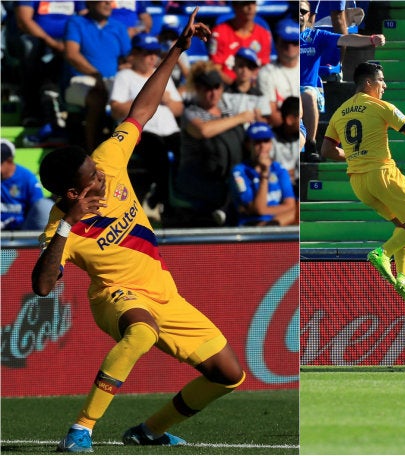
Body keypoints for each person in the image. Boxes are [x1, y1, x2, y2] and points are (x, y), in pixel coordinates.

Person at [31, 11, 245, 452]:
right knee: (142, 333)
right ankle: (81, 430)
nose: (103, 176)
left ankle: (148, 431)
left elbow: (142, 110)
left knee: (230, 375)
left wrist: (177, 49)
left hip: (164, 293)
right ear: (72, 192)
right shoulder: (62, 225)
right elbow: (43, 286)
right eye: (92, 178)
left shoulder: (107, 159)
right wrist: (69, 227)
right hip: (115, 297)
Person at [321, 62, 405, 308]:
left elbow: (326, 149)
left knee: (404, 225)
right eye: (381, 80)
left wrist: (352, 156)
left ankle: (403, 277)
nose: (385, 85)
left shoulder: (340, 112)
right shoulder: (380, 106)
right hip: (382, 174)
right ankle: (383, 253)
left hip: (359, 183)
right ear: (369, 83)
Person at [109, 32, 183, 223]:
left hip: (170, 130)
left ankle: (174, 199)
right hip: (141, 131)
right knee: (157, 150)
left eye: (155, 53)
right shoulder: (125, 76)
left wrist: (166, 99)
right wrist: (145, 101)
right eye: (147, 53)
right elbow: (116, 108)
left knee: (185, 151)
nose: (152, 58)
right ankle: (159, 198)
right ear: (134, 54)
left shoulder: (161, 74)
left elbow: (179, 107)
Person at [300, 0, 386, 161]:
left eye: (303, 11)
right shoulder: (281, 38)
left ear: (309, 15)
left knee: (307, 95)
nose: (299, 14)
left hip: (306, 91)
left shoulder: (316, 36)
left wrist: (371, 39)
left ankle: (311, 144)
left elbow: (346, 39)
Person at [176, 62, 258, 225]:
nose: (213, 93)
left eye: (217, 87)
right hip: (199, 176)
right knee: (234, 192)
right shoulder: (191, 113)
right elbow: (204, 131)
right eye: (207, 88)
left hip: (228, 173)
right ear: (198, 89)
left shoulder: (227, 112)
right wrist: (240, 118)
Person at [63, 1, 132, 152]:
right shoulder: (76, 22)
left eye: (110, 1)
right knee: (98, 98)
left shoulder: (118, 26)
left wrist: (127, 66)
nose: (108, 3)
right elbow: (71, 54)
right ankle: (93, 151)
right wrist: (96, 75)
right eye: (103, 0)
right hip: (81, 80)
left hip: (112, 81)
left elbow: (128, 57)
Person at [13, 1, 85, 129]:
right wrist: (52, 43)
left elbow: (85, 16)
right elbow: (24, 21)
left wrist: (71, 43)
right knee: (30, 46)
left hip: (69, 41)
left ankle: (74, 113)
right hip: (38, 39)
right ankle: (32, 111)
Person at [230, 122, 297, 226]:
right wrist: (264, 174)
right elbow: (258, 209)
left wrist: (267, 214)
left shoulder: (279, 169)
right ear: (248, 144)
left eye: (266, 141)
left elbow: (290, 205)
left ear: (271, 143)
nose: (262, 146)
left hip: (278, 223)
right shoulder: (239, 172)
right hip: (251, 226)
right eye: (257, 142)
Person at [208, 0, 272, 86]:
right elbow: (215, 68)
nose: (250, 8)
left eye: (253, 3)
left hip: (256, 87)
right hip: (226, 87)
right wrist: (236, 87)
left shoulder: (264, 34)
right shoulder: (219, 32)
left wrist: (250, 87)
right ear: (235, 6)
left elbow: (265, 67)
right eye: (245, 3)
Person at [1, 138, 53, 231]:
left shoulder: (27, 178)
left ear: (9, 161)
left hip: (21, 233)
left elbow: (37, 211)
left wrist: (15, 222)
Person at [257, 18, 300, 128]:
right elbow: (271, 114)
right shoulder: (266, 73)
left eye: (294, 42)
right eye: (285, 42)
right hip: (280, 131)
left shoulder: (304, 67)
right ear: (276, 43)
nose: (289, 47)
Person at [271, 96, 301, 194]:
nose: (302, 122)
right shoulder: (269, 140)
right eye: (299, 118)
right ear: (289, 120)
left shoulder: (299, 140)